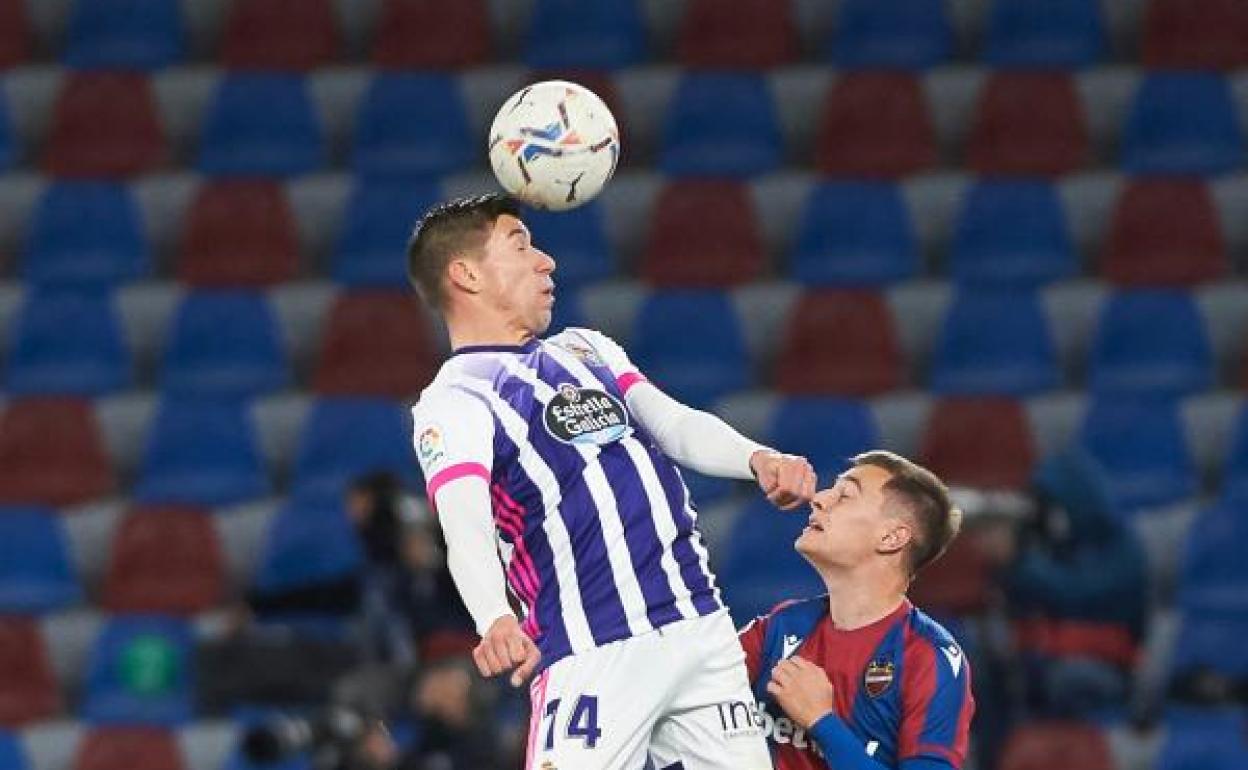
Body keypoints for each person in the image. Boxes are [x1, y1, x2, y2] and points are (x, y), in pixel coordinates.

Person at [406, 193, 817, 769]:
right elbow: (463, 521)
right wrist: (493, 617)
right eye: (521, 246)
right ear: (465, 274)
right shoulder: (455, 399)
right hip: (593, 645)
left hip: (698, 625)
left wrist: (757, 458)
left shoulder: (585, 348)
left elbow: (673, 423)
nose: (546, 262)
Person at [740, 451, 975, 770]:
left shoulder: (929, 657)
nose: (819, 499)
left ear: (891, 537)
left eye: (845, 495)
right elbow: (686, 679)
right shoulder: (782, 625)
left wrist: (822, 722)